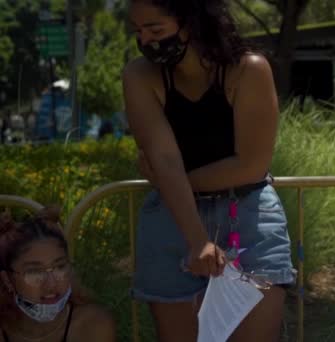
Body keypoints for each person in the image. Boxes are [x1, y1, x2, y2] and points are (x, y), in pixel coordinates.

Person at [122, 1, 295, 341]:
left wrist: (169, 182)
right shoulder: (139, 75)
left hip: (247, 214)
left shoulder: (249, 69)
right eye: (138, 32)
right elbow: (163, 156)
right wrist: (197, 239)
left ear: (192, 22)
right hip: (172, 219)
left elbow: (251, 166)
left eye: (156, 30)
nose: (146, 41)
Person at [0, 208, 116, 342]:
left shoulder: (93, 325)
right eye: (34, 272)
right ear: (7, 279)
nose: (51, 284)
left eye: (59, 267)